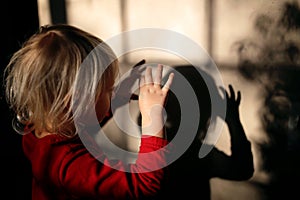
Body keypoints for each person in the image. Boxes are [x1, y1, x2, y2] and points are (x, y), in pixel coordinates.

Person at [4, 24, 174, 200]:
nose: (112, 93)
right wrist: (152, 117)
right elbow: (144, 185)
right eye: (108, 90)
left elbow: (82, 126)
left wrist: (117, 98)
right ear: (77, 101)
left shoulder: (36, 130)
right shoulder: (70, 164)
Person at [137, 65, 254, 199]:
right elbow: (243, 170)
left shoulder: (155, 148)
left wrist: (151, 104)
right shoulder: (199, 154)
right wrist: (234, 122)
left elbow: (141, 120)